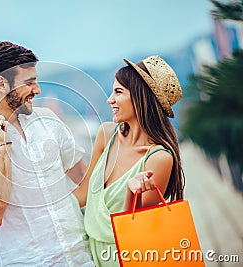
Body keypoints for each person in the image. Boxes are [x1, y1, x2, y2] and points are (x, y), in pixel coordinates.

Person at [0, 41, 94, 266]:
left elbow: (85, 184)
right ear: (1, 84)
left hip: (80, 258)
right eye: (29, 82)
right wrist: (3, 148)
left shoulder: (49, 119)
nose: (37, 89)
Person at [72, 55, 185, 266]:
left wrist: (131, 193)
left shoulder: (158, 158)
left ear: (142, 97)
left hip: (125, 258)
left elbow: (134, 229)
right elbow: (82, 195)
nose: (110, 100)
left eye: (118, 92)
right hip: (91, 256)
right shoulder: (106, 134)